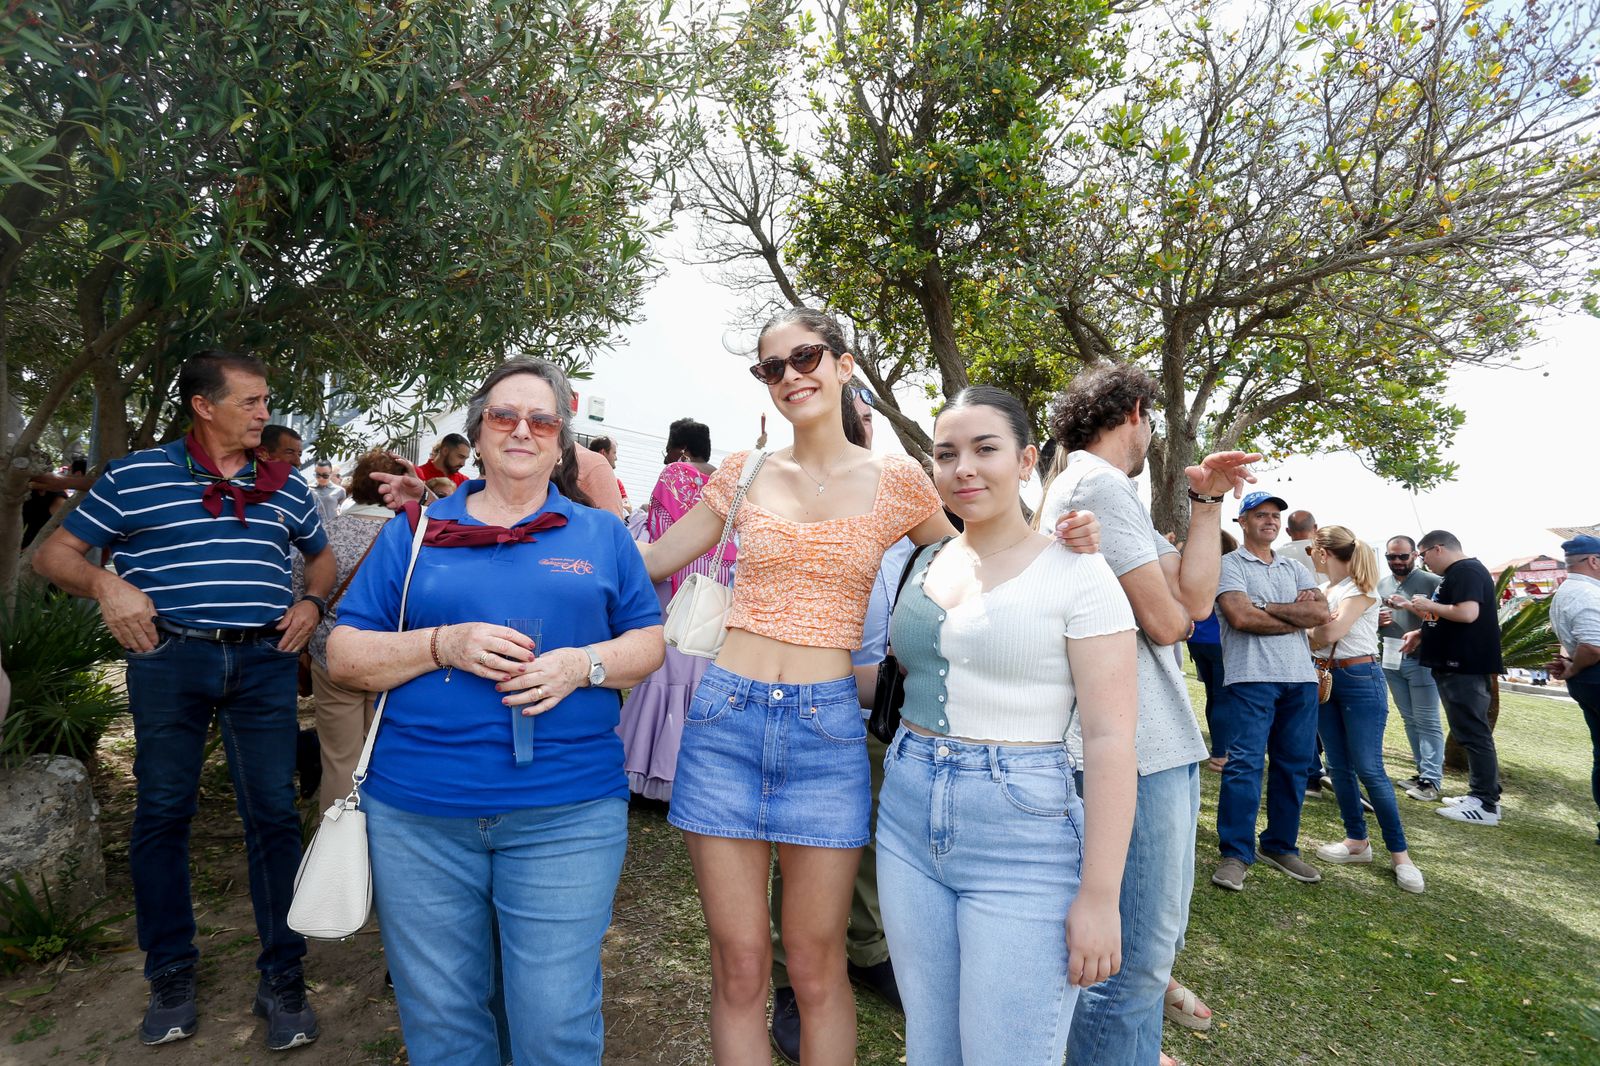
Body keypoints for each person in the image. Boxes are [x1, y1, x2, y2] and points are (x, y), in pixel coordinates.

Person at [632, 308, 1103, 1065]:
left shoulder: (898, 481)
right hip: (723, 721)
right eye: (771, 367)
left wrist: (1062, 541)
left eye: (806, 356)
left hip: (826, 731)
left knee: (818, 967)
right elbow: (648, 562)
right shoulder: (743, 471)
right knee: (740, 964)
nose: (791, 376)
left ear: (845, 365)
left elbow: (979, 555)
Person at [326, 359, 664, 1065]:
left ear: (562, 440)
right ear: (477, 431)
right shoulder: (417, 532)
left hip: (565, 813)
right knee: (443, 1023)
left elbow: (648, 642)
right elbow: (346, 657)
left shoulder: (600, 535)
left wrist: (580, 665)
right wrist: (443, 644)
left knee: (553, 1023)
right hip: (418, 815)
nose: (521, 430)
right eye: (503, 416)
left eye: (541, 420)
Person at [32, 350, 332, 1051]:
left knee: (274, 818)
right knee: (163, 813)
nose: (266, 414)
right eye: (252, 401)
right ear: (204, 405)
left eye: (266, 401)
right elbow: (55, 556)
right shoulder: (137, 475)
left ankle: (282, 978)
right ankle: (170, 973)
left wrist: (314, 603)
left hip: (264, 661)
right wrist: (109, 586)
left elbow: (319, 556)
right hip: (168, 658)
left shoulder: (284, 483)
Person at [878, 385, 1138, 1064]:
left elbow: (1112, 742)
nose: (964, 467)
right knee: (930, 1050)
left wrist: (1101, 896)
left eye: (984, 449)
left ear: (1027, 460)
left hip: (1022, 833)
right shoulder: (927, 560)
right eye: (946, 453)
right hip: (906, 817)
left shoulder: (1079, 571)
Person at [1041, 363, 1259, 1064]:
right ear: (1136, 411)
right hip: (1134, 748)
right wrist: (1171, 602)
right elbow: (1171, 625)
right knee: (1131, 965)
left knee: (1135, 955)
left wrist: (1206, 502)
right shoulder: (1097, 484)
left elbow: (1195, 599)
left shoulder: (1087, 487)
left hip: (1150, 741)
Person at [768, 385, 908, 1063]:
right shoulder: (794, 497)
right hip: (809, 703)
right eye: (860, 419)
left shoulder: (895, 497)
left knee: (870, 842)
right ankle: (789, 978)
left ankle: (866, 950)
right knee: (799, 854)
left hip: (881, 710)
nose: (865, 430)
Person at [1210, 492, 1330, 891]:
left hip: (1300, 678)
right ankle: (1235, 853)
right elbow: (1241, 617)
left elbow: (1319, 614)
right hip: (1250, 678)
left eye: (1275, 516)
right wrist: (1291, 614)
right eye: (1261, 515)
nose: (1270, 521)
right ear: (1242, 521)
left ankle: (1280, 845)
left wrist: (1268, 606)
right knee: (1244, 765)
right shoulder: (1228, 566)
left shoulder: (1296, 567)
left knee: (1294, 766)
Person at [1308, 527, 1425, 893]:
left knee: (1370, 769)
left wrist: (1297, 624)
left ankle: (1400, 856)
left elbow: (1330, 633)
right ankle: (1356, 841)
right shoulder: (1328, 590)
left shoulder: (1360, 589)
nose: (1310, 554)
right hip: (1327, 678)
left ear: (1324, 553)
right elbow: (1323, 631)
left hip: (1359, 677)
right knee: (1338, 766)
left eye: (1313, 548)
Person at [616, 418, 726, 802]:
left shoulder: (675, 474)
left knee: (666, 672)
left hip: (675, 587)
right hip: (714, 590)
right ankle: (696, 776)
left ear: (679, 448)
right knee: (699, 675)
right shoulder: (726, 480)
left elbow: (660, 537)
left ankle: (651, 770)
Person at [292, 451, 405, 813]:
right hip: (393, 656)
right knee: (386, 756)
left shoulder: (327, 533)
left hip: (333, 653)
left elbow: (300, 589)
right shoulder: (411, 538)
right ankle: (379, 848)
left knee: (340, 758)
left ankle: (337, 853)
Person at [1402, 530, 1505, 826]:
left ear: (1437, 549)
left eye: (1422, 555)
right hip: (1454, 664)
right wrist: (1422, 633)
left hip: (1464, 666)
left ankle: (1485, 803)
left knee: (1473, 732)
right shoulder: (1458, 574)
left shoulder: (1466, 571)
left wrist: (1428, 606)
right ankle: (1481, 794)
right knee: (1468, 730)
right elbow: (1454, 616)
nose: (1422, 563)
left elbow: (1468, 613)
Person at [1377, 535, 1446, 801]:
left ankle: (1431, 779)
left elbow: (1443, 619)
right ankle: (1422, 773)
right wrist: (1379, 620)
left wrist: (1410, 608)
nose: (1396, 561)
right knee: (1410, 719)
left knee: (1427, 720)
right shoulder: (1382, 584)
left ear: (1415, 555)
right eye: (1391, 557)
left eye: (1402, 556)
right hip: (1391, 659)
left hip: (1422, 659)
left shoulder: (1432, 582)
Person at [1547, 535, 1600, 844]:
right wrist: (1574, 667)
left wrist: (1570, 663)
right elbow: (1592, 647)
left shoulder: (1568, 591)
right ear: (1594, 561)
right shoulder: (1585, 593)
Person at [1189, 530, 1239, 771]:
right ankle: (1220, 754)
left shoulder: (1195, 568)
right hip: (1218, 640)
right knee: (1222, 697)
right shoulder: (1227, 569)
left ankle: (1219, 749)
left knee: (1213, 695)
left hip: (1196, 638)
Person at [589, 435, 630, 509]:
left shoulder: (617, 483)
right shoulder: (584, 476)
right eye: (614, 453)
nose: (616, 458)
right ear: (603, 453)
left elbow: (628, 507)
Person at [310, 461, 347, 527]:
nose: (321, 478)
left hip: (336, 528)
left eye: (325, 475)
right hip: (317, 529)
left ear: (331, 474)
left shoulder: (340, 490)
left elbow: (345, 511)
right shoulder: (308, 490)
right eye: (318, 475)